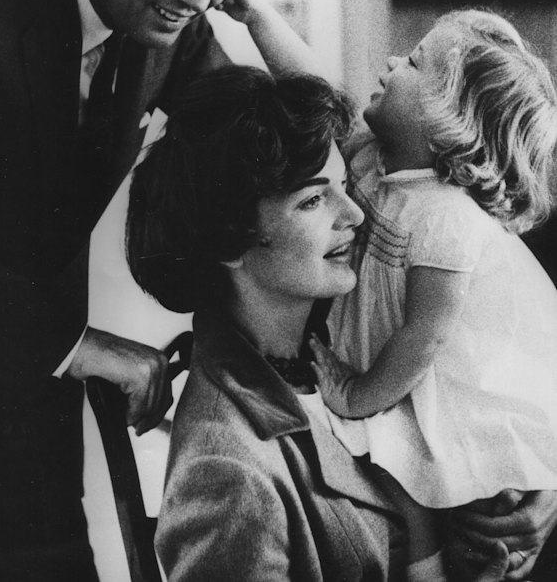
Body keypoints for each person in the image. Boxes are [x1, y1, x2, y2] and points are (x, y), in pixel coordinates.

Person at [0, 0, 319, 581]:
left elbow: (286, 145)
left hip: (27, 443)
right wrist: (71, 344)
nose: (199, 0)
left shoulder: (173, 28)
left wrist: (258, 16)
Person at [126, 63, 525, 582]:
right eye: (313, 200)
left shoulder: (356, 331)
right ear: (229, 237)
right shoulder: (226, 470)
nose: (355, 215)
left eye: (343, 185)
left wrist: (537, 497)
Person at [309, 9, 557, 580]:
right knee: (399, 478)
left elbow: (424, 336)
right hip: (403, 370)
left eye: (415, 62)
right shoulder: (373, 158)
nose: (393, 60)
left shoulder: (448, 217)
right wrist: (255, 17)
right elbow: (312, 87)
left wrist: (357, 394)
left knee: (441, 487)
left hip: (454, 383)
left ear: (449, 122)